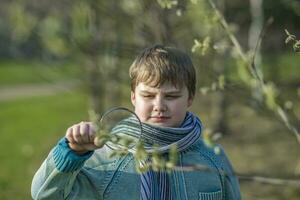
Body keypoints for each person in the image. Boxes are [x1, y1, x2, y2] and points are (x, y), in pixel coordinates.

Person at [31, 44, 241, 200]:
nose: (159, 105)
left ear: (190, 98)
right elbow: (44, 194)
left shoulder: (213, 157)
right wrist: (73, 151)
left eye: (171, 96)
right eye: (148, 96)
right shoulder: (107, 156)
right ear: (133, 97)